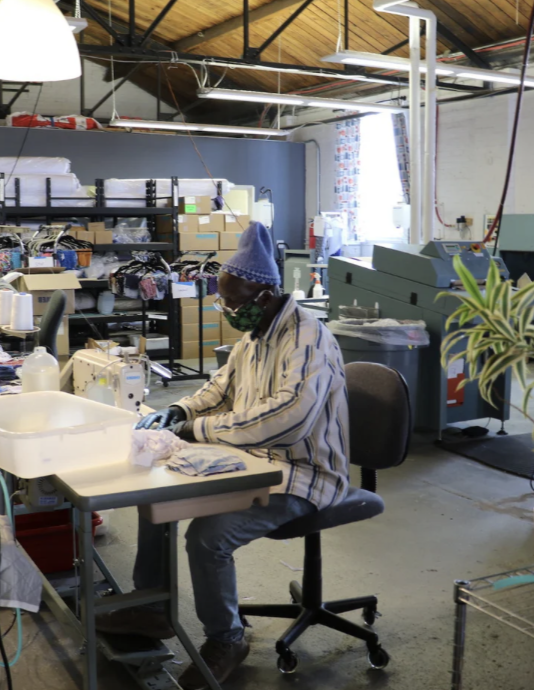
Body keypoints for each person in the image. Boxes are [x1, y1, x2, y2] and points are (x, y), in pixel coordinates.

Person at [96, 222, 350, 690]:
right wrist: (180, 408)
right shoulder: (255, 336)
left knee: (209, 536)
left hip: (302, 474)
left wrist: (195, 428)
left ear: (265, 296)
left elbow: (289, 418)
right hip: (252, 462)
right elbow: (219, 389)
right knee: (155, 492)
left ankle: (227, 639)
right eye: (224, 301)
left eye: (233, 303)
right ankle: (152, 609)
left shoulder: (308, 339)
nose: (229, 310)